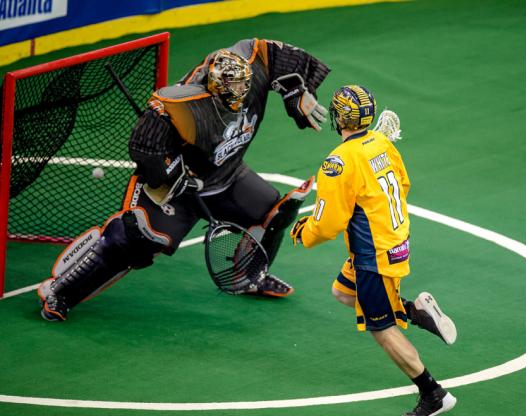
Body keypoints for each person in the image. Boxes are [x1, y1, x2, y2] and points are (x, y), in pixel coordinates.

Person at [38, 38, 331, 321]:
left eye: (245, 88)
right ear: (214, 88)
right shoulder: (181, 103)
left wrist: (296, 90)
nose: (240, 97)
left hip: (227, 174)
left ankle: (247, 277)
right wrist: (174, 174)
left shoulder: (250, 61)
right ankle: (61, 292)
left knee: (273, 214)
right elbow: (144, 146)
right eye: (233, 92)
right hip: (175, 189)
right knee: (135, 239)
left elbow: (275, 53)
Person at [289, 85, 458, 416]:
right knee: (342, 292)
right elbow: (404, 184)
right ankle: (414, 310)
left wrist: (303, 233)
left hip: (374, 256)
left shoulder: (338, 162)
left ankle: (433, 393)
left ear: (339, 117)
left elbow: (328, 224)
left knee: (381, 329)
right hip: (395, 240)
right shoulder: (382, 143)